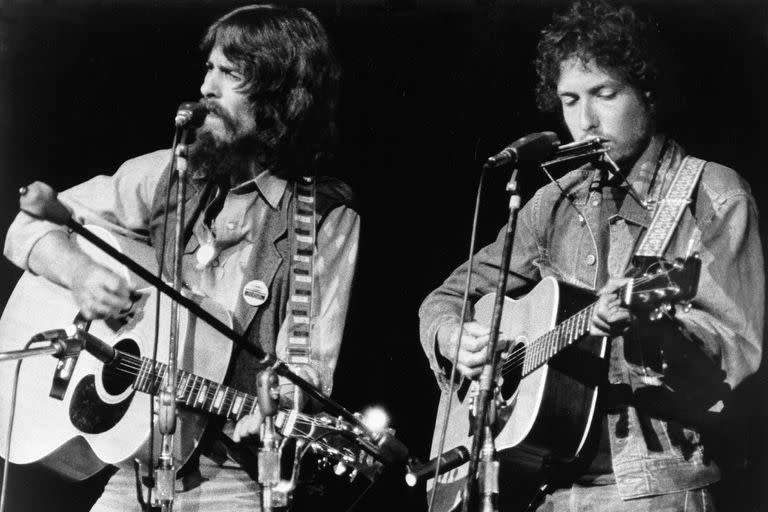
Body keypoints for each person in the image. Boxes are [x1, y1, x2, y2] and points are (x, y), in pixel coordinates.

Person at [4, 5, 358, 511]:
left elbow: (308, 371)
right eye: (209, 68)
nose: (206, 88)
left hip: (234, 474)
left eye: (230, 74)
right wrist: (81, 274)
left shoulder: (322, 217)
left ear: (280, 96)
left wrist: (277, 406)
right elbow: (28, 227)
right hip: (140, 465)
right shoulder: (166, 175)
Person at [418, 0, 763, 510]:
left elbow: (734, 352)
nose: (586, 120)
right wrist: (452, 336)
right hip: (544, 486)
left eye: (605, 93)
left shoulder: (712, 193)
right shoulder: (553, 202)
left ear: (646, 92)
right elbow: (448, 296)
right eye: (569, 100)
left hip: (652, 489)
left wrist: (646, 332)